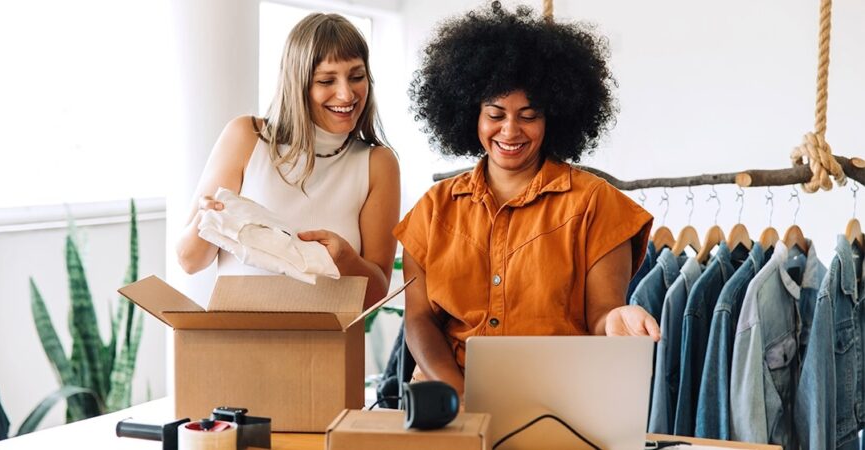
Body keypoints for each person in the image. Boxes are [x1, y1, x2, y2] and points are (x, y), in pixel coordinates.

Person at [396, 2, 659, 399]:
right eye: (496, 114)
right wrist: (459, 396)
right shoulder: (434, 209)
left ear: (553, 118)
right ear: (472, 116)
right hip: (445, 401)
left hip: (554, 403)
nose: (510, 130)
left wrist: (618, 318)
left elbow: (602, 314)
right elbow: (418, 320)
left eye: (529, 115)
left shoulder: (596, 205)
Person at [176, 13, 400, 308]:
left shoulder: (377, 163)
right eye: (326, 80)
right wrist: (207, 221)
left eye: (356, 76)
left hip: (326, 348)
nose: (347, 93)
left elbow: (376, 293)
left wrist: (344, 259)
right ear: (298, 84)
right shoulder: (247, 137)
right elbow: (190, 261)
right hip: (238, 344)